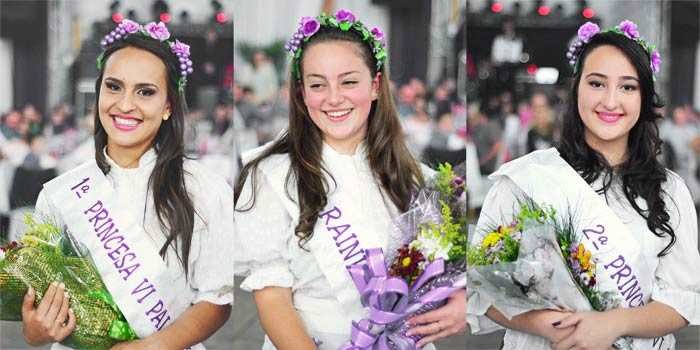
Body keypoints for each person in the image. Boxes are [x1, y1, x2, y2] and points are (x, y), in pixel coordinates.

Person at [233, 9, 466, 350]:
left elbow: (449, 269)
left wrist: (460, 300)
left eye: (348, 81)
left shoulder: (418, 177)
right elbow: (272, 299)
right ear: (301, 93)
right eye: (317, 84)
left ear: (374, 86)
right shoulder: (270, 177)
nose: (333, 97)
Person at [468, 20, 700, 350]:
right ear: (576, 87)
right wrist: (558, 328)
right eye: (596, 83)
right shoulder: (525, 179)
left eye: (628, 87)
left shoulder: (670, 191)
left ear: (645, 97)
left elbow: (681, 302)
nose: (610, 101)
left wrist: (613, 324)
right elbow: (484, 288)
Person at [20, 20, 234, 349]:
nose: (124, 105)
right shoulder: (62, 192)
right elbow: (36, 309)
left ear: (168, 106)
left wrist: (151, 346)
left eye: (145, 92)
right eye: (114, 86)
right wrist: (35, 330)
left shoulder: (203, 188)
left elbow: (217, 300)